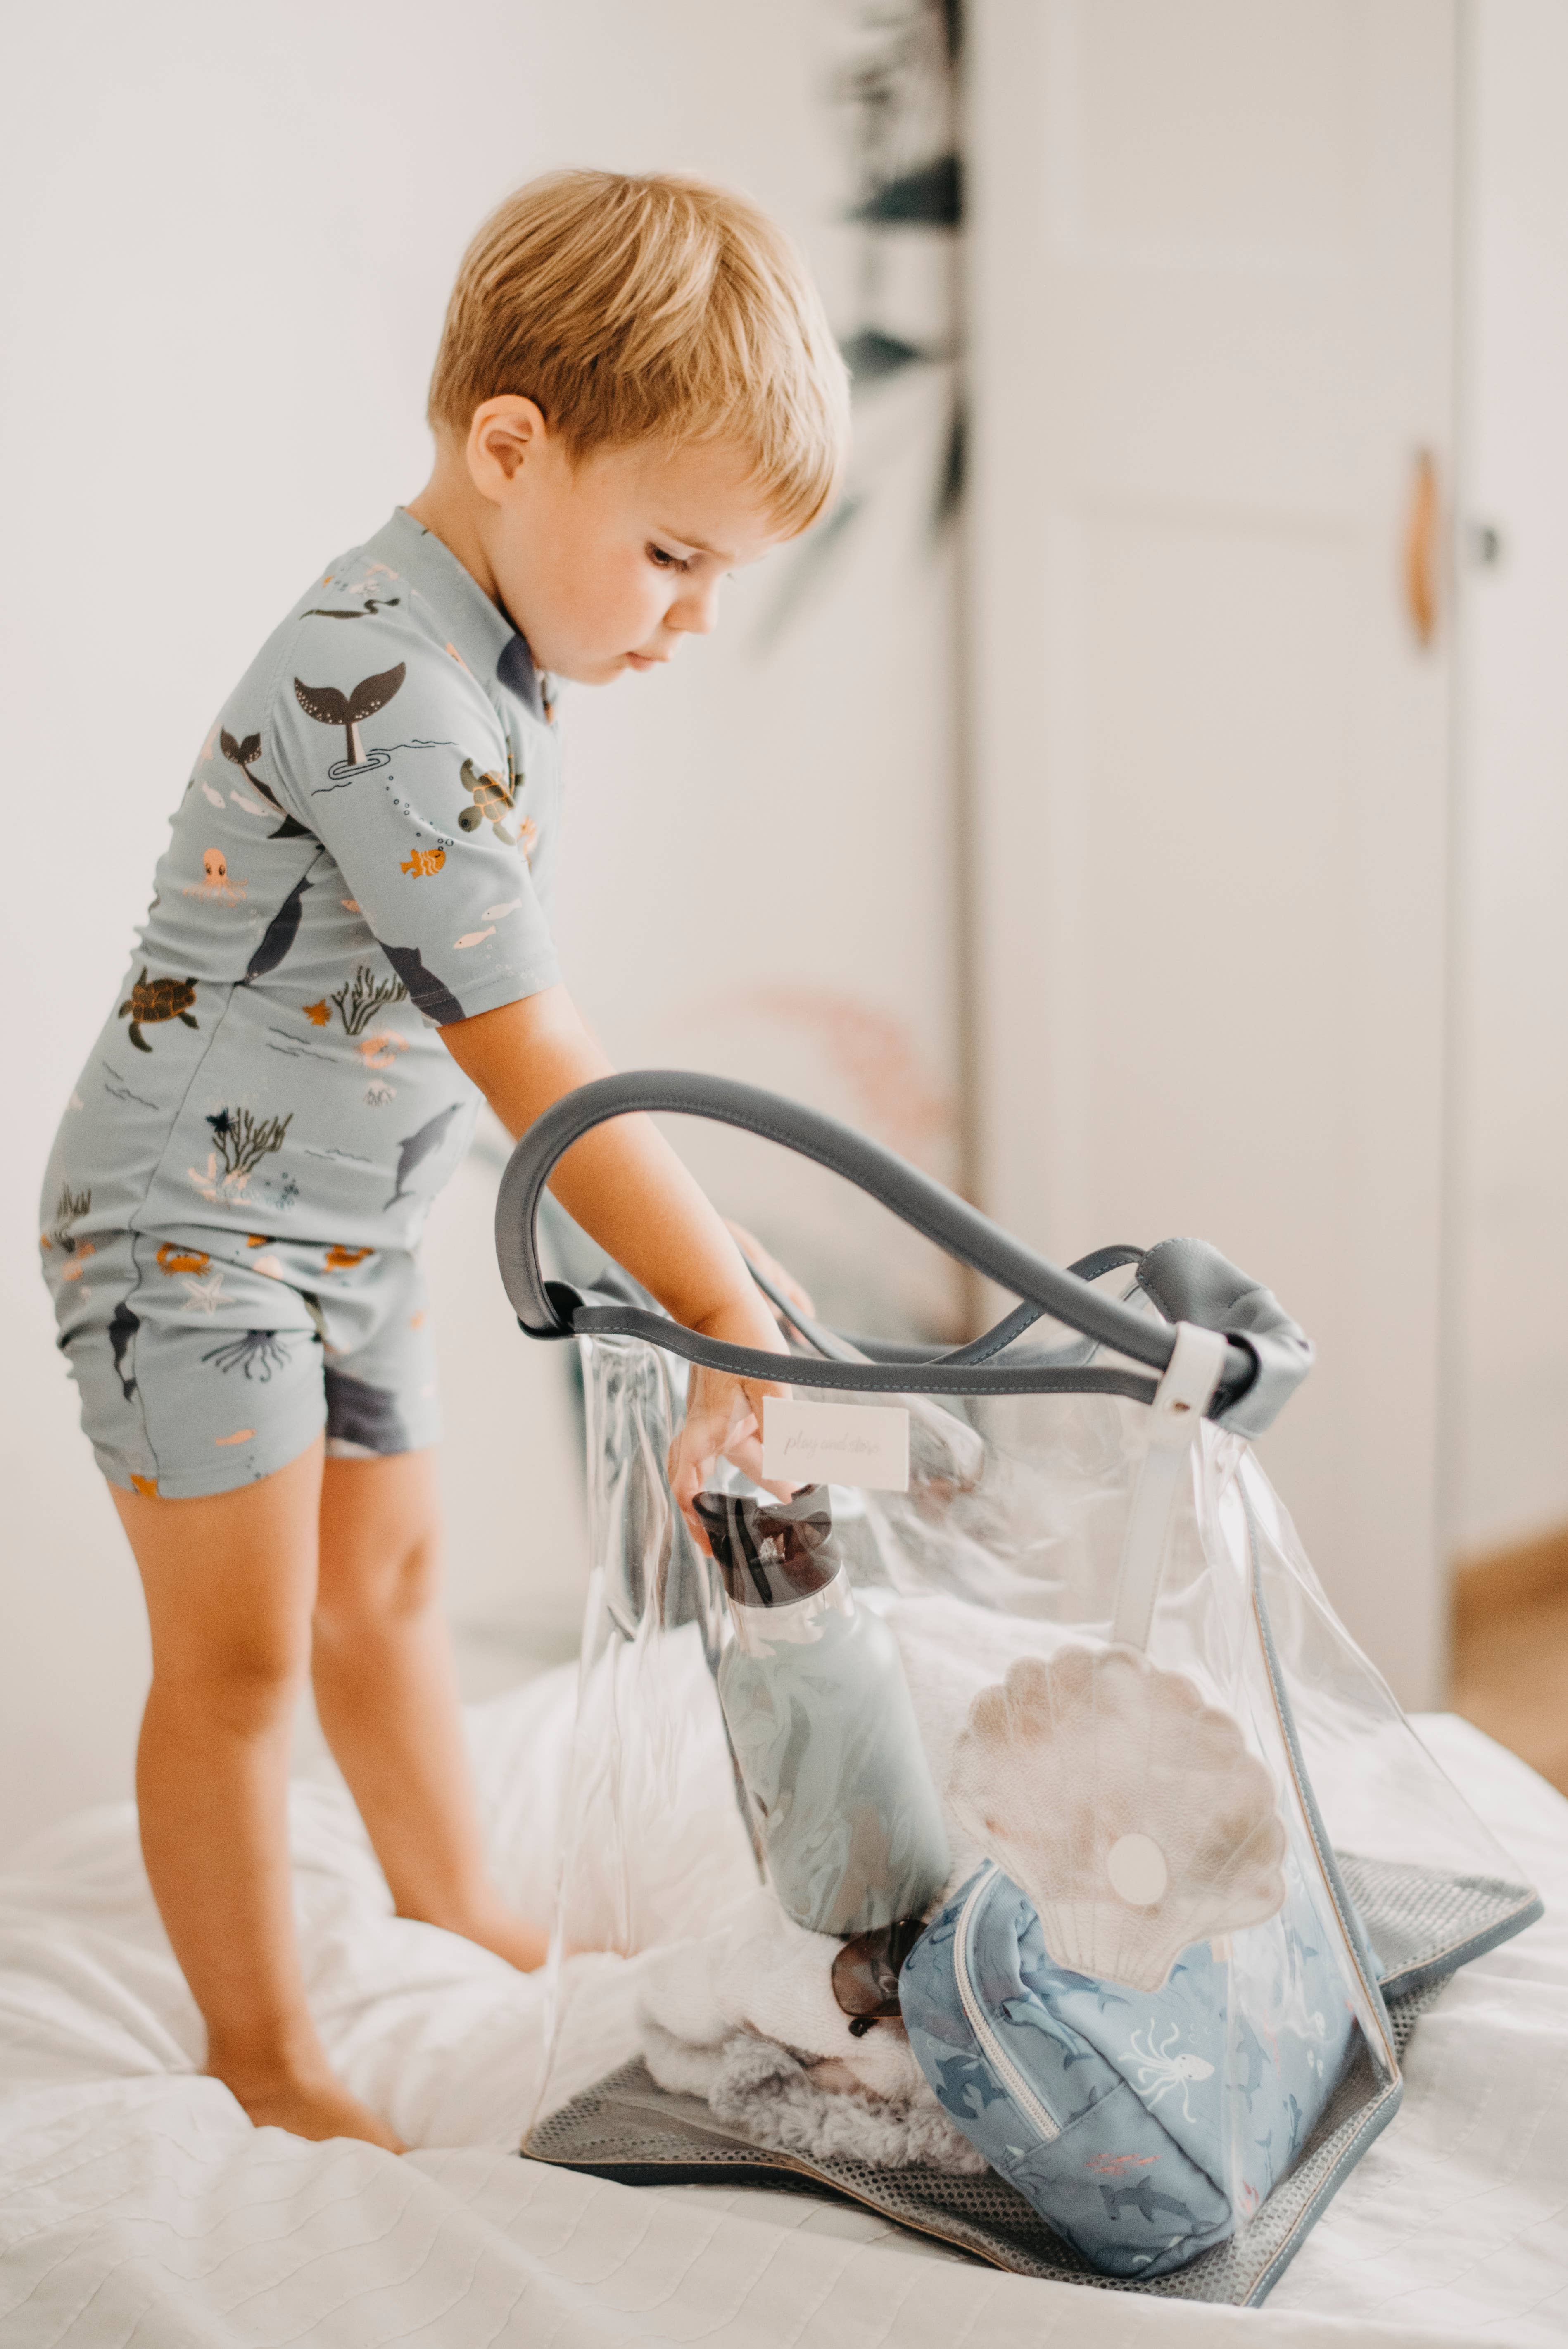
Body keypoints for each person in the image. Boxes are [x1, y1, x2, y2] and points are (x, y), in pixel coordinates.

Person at [37, 170, 848, 2152]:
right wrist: (714, 1292)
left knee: (388, 1590)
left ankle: (450, 1900)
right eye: (672, 554)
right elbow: (531, 1056)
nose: (690, 619)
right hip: (190, 1230)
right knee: (236, 1661)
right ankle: (262, 2052)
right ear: (512, 448)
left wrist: (715, 1248)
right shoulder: (385, 685)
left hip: (345, 1229)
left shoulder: (501, 659)